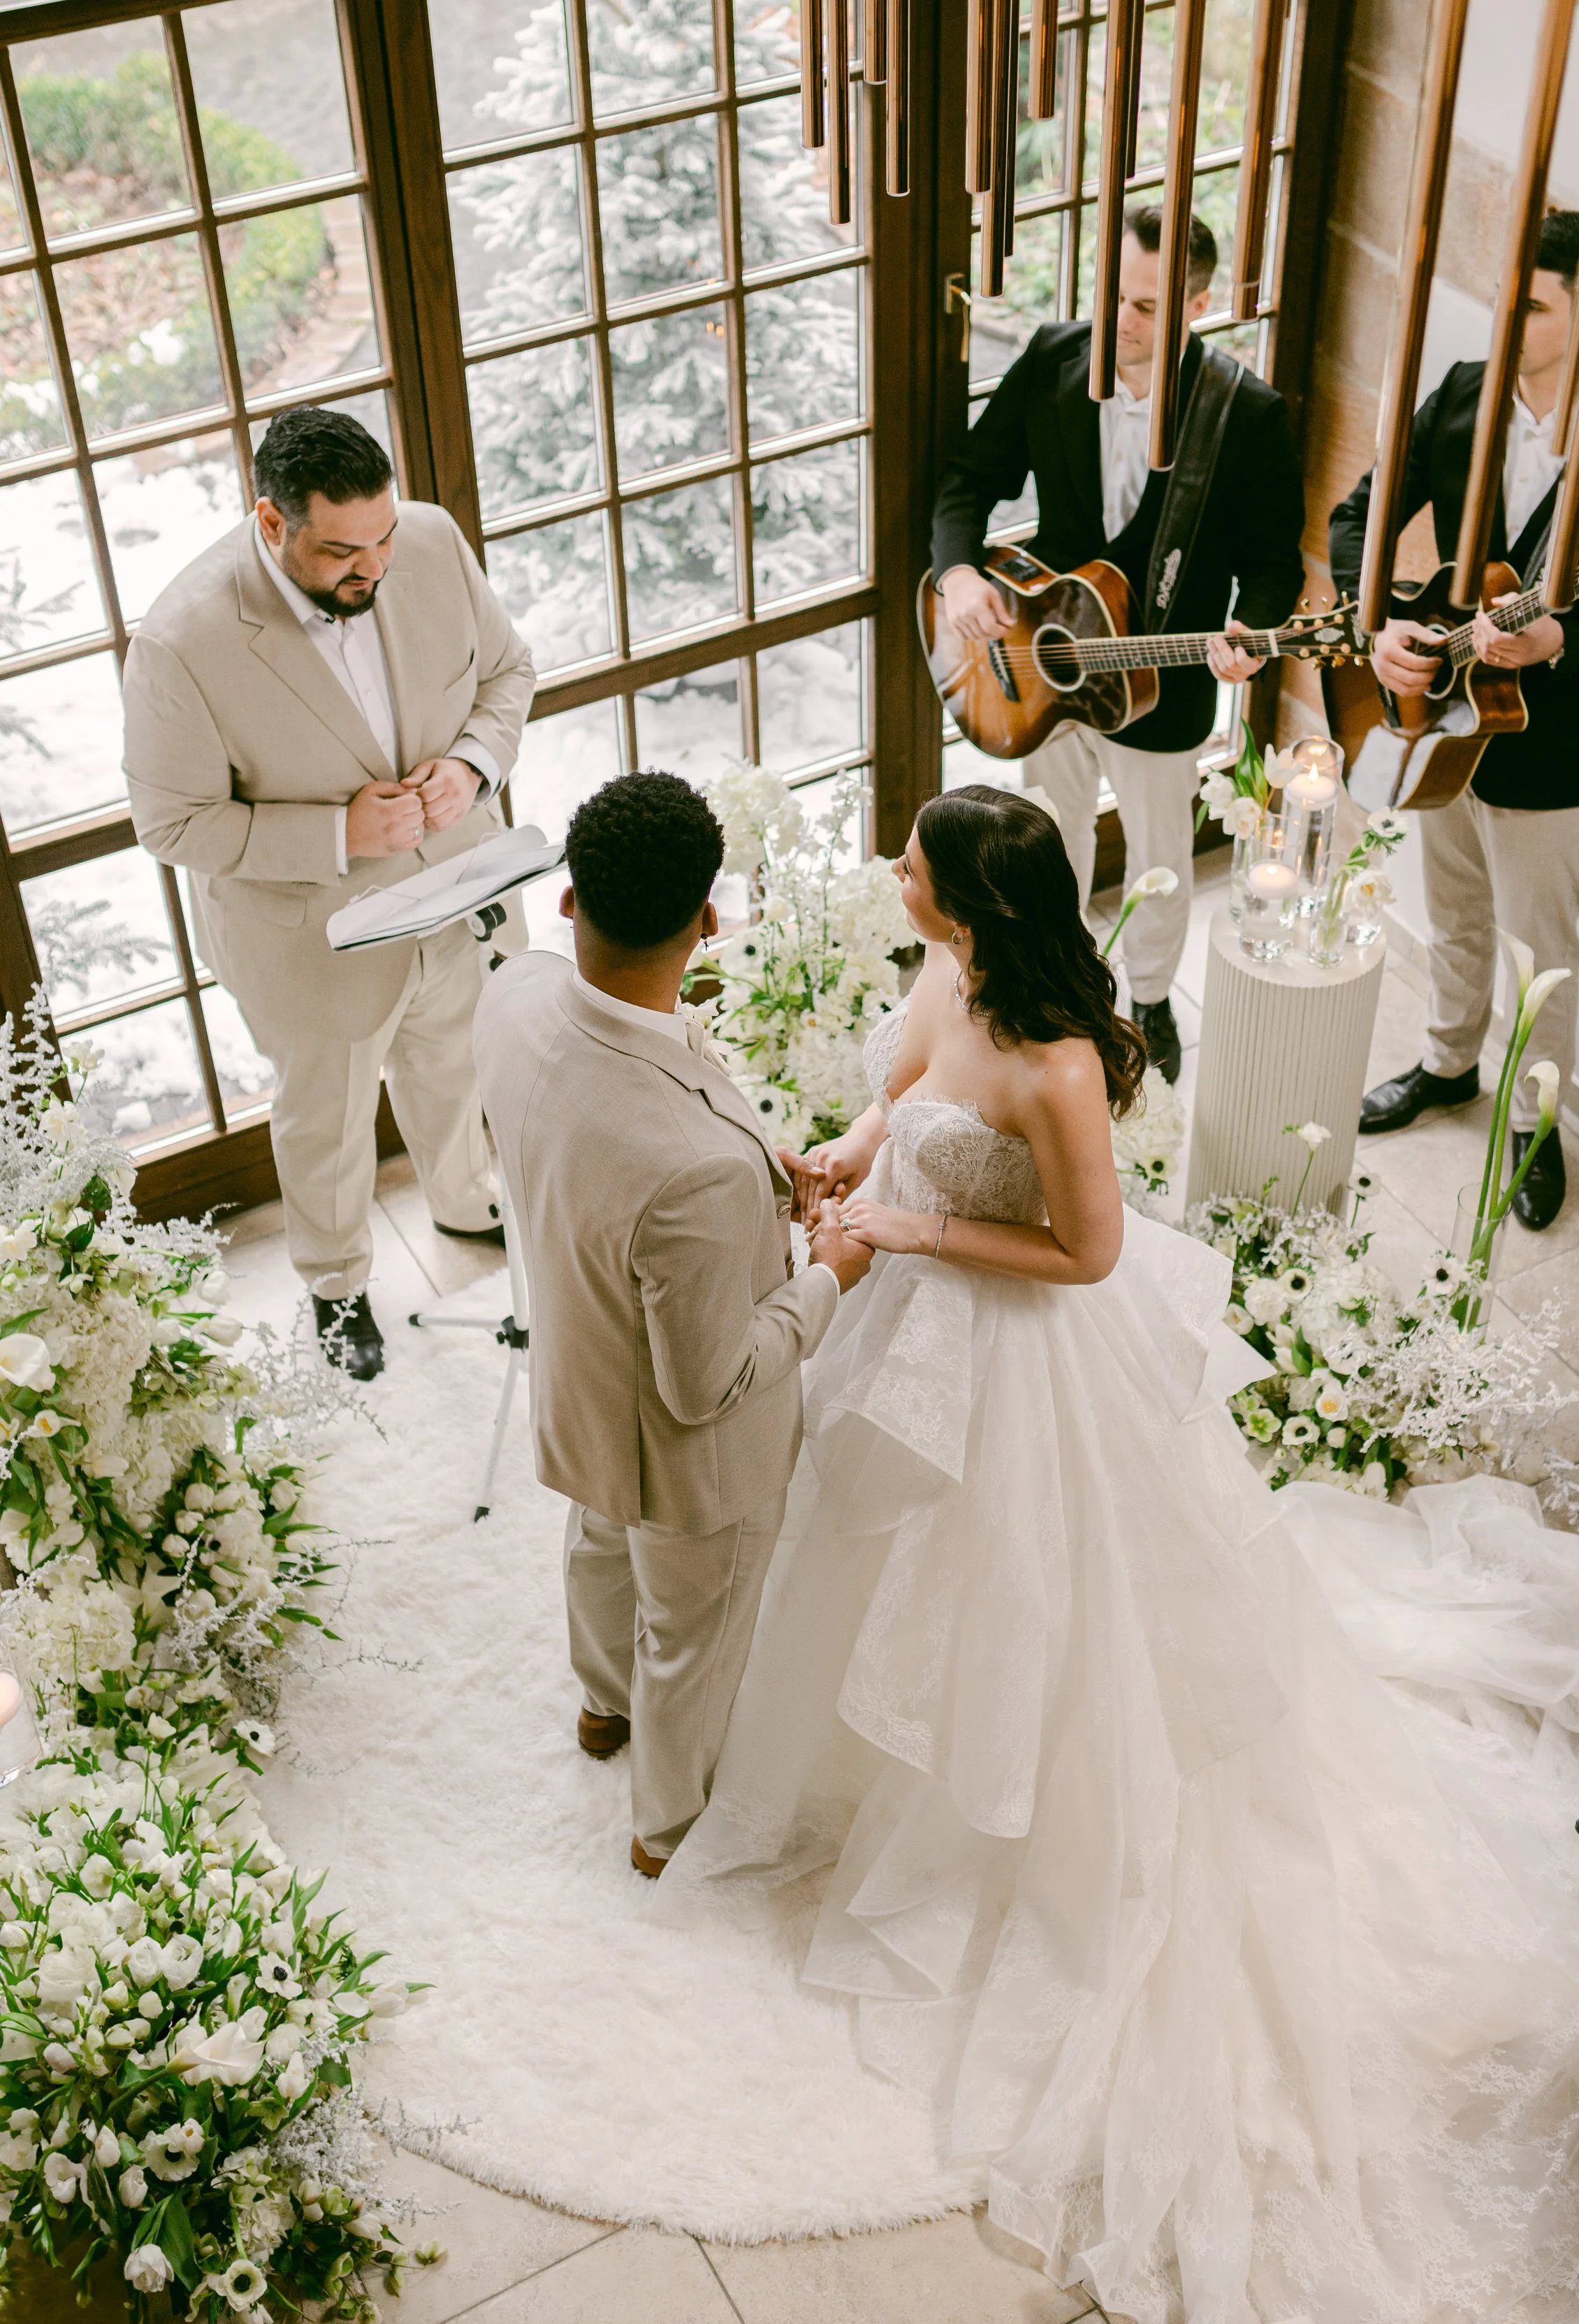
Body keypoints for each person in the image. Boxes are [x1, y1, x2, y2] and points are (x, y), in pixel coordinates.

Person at [655, 784, 1579, 2323]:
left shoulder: (1064, 1064)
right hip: (902, 1298)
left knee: (1025, 1598)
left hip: (1026, 1356)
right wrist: (852, 1150)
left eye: (914, 864)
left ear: (966, 899)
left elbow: (1084, 1254)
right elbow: (903, 1090)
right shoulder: (945, 973)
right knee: (862, 1554)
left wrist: (913, 1234)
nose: (894, 872)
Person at [472, 773, 873, 1878]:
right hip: (693, 1460)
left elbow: (595, 1145)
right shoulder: (693, 1175)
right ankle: (667, 1828)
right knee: (690, 1634)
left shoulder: (512, 994)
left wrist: (760, 1171)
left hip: (577, 1364)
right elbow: (711, 1383)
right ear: (708, 919)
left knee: (598, 1540)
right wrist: (827, 1273)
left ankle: (601, 1707)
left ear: (566, 902)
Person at [124, 406, 534, 1380]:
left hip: (459, 887)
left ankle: (461, 1196)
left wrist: (473, 767)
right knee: (329, 1116)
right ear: (272, 524)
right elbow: (171, 823)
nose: (377, 567)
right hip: (312, 932)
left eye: (383, 537)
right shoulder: (180, 643)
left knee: (453, 1064)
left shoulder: (427, 540)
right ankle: (336, 1281)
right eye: (345, 551)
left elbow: (508, 673)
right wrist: (337, 833)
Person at [931, 206, 1307, 1084]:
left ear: (1197, 304)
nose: (1119, 323)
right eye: (1112, 295)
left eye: (1144, 307)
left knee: (1159, 855)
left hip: (1162, 688)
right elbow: (970, 479)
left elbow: (1271, 567)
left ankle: (1147, 996)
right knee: (1048, 838)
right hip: (1040, 661)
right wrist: (956, 575)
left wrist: (1251, 631)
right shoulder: (1056, 358)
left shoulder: (1242, 414)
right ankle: (1051, 985)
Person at [1332, 208, 1579, 1233]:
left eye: (1535, 304)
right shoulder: (1466, 397)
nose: (1507, 320)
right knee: (1456, 910)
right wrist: (1380, 622)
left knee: (1544, 951)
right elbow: (1360, 515)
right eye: (1503, 296)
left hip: (1557, 750)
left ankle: (1537, 1119)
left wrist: (1560, 641)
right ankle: (1445, 1062)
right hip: (1446, 725)